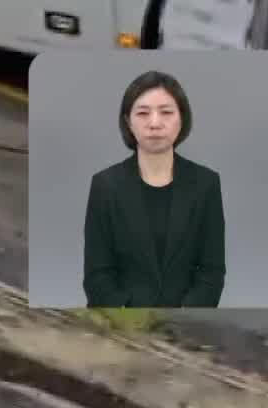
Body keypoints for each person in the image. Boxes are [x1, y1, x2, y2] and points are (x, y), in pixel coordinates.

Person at [82, 70, 227, 308]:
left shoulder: (206, 184)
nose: (155, 123)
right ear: (128, 121)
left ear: (182, 119)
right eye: (143, 113)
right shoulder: (105, 185)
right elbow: (97, 275)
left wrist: (185, 317)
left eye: (167, 112)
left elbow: (212, 271)